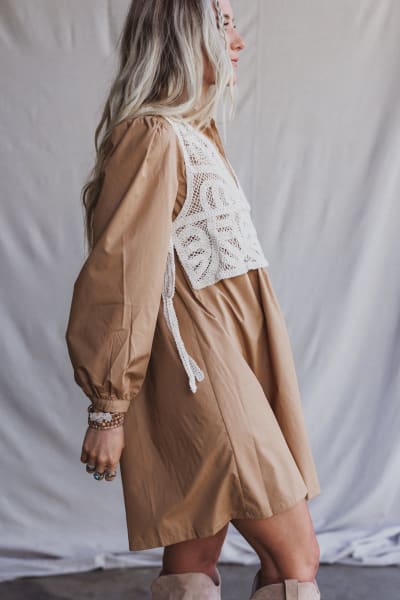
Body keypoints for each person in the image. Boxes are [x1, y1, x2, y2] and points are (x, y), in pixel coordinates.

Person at [65, 1, 322, 598]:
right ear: (184, 36)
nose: (238, 40)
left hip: (230, 365)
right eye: (223, 23)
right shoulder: (152, 136)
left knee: (193, 555)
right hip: (204, 375)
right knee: (296, 559)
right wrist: (108, 407)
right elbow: (120, 277)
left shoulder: (194, 135)